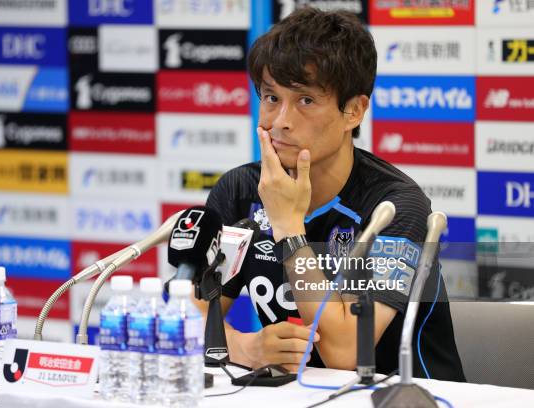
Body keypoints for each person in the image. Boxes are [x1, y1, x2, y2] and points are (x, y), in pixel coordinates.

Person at [194, 7, 465, 381]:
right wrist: (243, 347)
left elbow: (344, 351)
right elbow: (189, 316)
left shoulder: (395, 207)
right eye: (271, 98)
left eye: (304, 101)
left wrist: (289, 226)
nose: (279, 121)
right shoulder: (239, 191)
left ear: (353, 111)